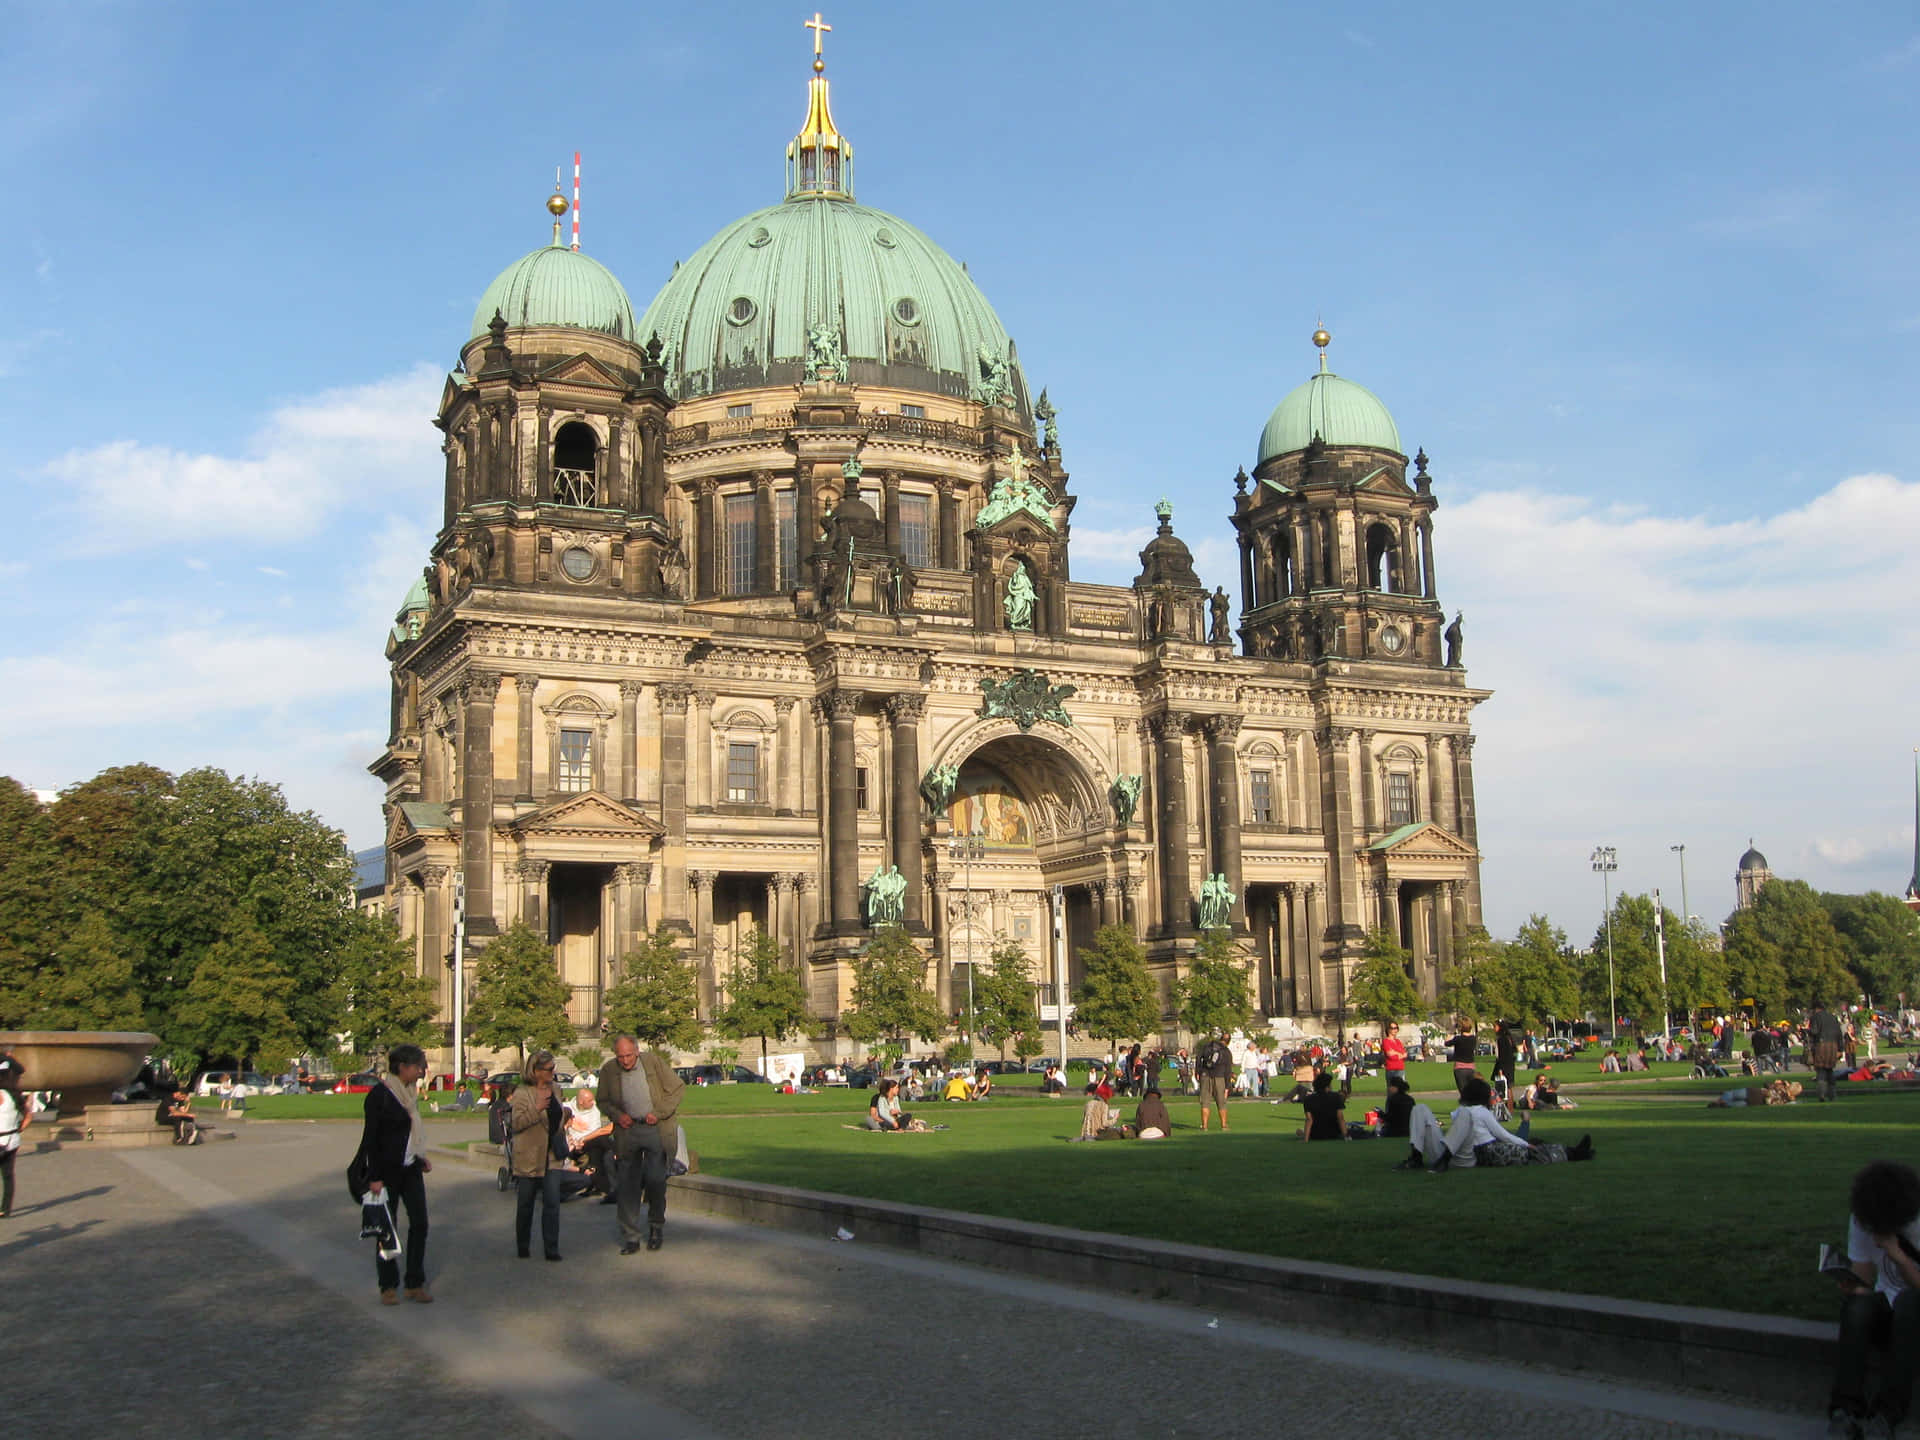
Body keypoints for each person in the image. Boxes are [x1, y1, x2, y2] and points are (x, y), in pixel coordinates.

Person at [1828, 1160, 1920, 1439]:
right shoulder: (1863, 1219)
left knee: (1908, 1302)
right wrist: (1851, 1285)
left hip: (1914, 1313)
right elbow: (1865, 1281)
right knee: (1857, 1307)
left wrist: (1899, 1257)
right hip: (1887, 1310)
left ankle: (1886, 1415)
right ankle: (1845, 1410)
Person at [596, 1033, 686, 1255]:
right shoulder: (609, 1070)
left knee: (656, 1180)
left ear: (637, 1051)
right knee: (628, 1185)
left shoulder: (652, 1062)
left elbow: (677, 1089)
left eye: (629, 1055)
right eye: (621, 1057)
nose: (625, 1061)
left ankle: (656, 1227)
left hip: (654, 1129)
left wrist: (659, 1113)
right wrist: (617, 1115)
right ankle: (631, 1236)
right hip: (627, 1132)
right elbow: (603, 1101)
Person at [358, 1043, 434, 1305]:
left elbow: (412, 1133)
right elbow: (371, 1140)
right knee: (386, 1230)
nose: (422, 1072)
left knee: (420, 1223)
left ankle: (414, 1282)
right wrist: (375, 1177)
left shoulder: (410, 1094)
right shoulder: (380, 1096)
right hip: (386, 1172)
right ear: (403, 1067)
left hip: (410, 1167)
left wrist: (420, 1156)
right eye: (419, 1066)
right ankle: (388, 1285)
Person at [1402, 1078, 1592, 1170]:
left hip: (1458, 1151)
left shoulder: (1459, 1112)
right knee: (1534, 1149)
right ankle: (1418, 1155)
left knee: (1421, 1109)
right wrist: (1525, 1142)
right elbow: (1503, 1135)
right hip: (1469, 1154)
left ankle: (1574, 1151)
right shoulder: (1478, 1112)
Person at [507, 1051, 566, 1262]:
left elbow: (556, 1118)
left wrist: (565, 1115)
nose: (553, 1072)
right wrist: (537, 1108)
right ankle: (523, 1244)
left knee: (552, 1203)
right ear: (536, 1071)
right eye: (549, 1069)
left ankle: (551, 1247)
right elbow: (517, 1123)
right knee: (526, 1203)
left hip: (552, 1154)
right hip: (530, 1154)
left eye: (553, 1068)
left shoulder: (557, 1090)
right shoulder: (523, 1093)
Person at [564, 1087, 614, 1197]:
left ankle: (602, 1185)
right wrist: (574, 1141)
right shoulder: (566, 1108)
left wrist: (582, 1140)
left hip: (587, 1141)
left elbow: (595, 1132)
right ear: (581, 1102)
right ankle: (605, 1186)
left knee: (598, 1145)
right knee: (601, 1142)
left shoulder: (594, 1110)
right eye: (590, 1101)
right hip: (570, 1144)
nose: (593, 1103)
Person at [0, 1054, 29, 1215]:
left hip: (1, 1139)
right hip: (13, 1139)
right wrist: (19, 1128)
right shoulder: (15, 1095)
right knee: (8, 1175)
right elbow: (28, 1115)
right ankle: (5, 1208)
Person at [1809, 999, 1848, 1103]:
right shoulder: (1833, 1017)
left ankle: (1822, 1093)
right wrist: (1840, 1049)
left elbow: (1814, 1032)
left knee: (1821, 1070)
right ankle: (1832, 1094)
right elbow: (1839, 1034)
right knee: (1830, 1070)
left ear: (1816, 1009)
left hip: (1821, 1046)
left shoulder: (1815, 1017)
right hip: (1833, 1046)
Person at [1196, 1030, 1234, 1132]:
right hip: (1219, 1077)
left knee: (1205, 1102)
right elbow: (1228, 1070)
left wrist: (1198, 1072)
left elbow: (1198, 1058)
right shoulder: (1226, 1051)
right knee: (1221, 1102)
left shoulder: (1207, 1046)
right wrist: (1227, 1086)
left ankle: (1204, 1126)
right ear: (1228, 1041)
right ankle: (1224, 1125)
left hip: (1205, 1076)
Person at [1300, 1072, 1347, 1142]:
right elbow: (1340, 1118)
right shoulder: (1336, 1097)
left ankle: (1303, 1133)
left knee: (1299, 1131)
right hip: (1334, 1133)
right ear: (1327, 1086)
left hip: (1315, 1134)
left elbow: (1309, 1120)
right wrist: (1346, 1136)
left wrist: (1305, 1139)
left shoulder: (1308, 1099)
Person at [1446, 1018, 1479, 1096]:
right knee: (1471, 1091)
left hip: (1459, 1068)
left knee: (1463, 1093)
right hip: (1471, 1068)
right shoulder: (1473, 1039)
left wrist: (1451, 1033)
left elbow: (1446, 1043)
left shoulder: (1458, 1039)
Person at [1380, 1074, 1415, 1140]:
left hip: (1395, 1131)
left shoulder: (1393, 1099)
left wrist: (1380, 1114)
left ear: (1395, 1087)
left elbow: (1390, 1118)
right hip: (1409, 1130)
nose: (1388, 1088)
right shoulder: (1410, 1099)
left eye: (1390, 1086)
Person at [1380, 1022, 1408, 1094]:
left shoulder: (1398, 1041)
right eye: (1393, 1028)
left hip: (1400, 1069)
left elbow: (1405, 1054)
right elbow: (1390, 1055)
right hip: (1392, 1070)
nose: (1395, 1030)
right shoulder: (1386, 1041)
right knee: (1392, 1094)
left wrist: (1396, 1053)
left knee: (1401, 1093)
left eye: (1396, 1028)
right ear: (1388, 1030)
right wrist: (1399, 1054)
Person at [1494, 1020, 1518, 1098]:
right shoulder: (1509, 1037)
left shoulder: (1501, 1039)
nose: (1494, 1028)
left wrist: (1500, 1069)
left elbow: (1502, 1055)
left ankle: (1507, 1107)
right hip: (1510, 1065)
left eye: (1495, 1026)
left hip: (1504, 1066)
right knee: (1509, 1087)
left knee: (1504, 1088)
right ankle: (1510, 1108)